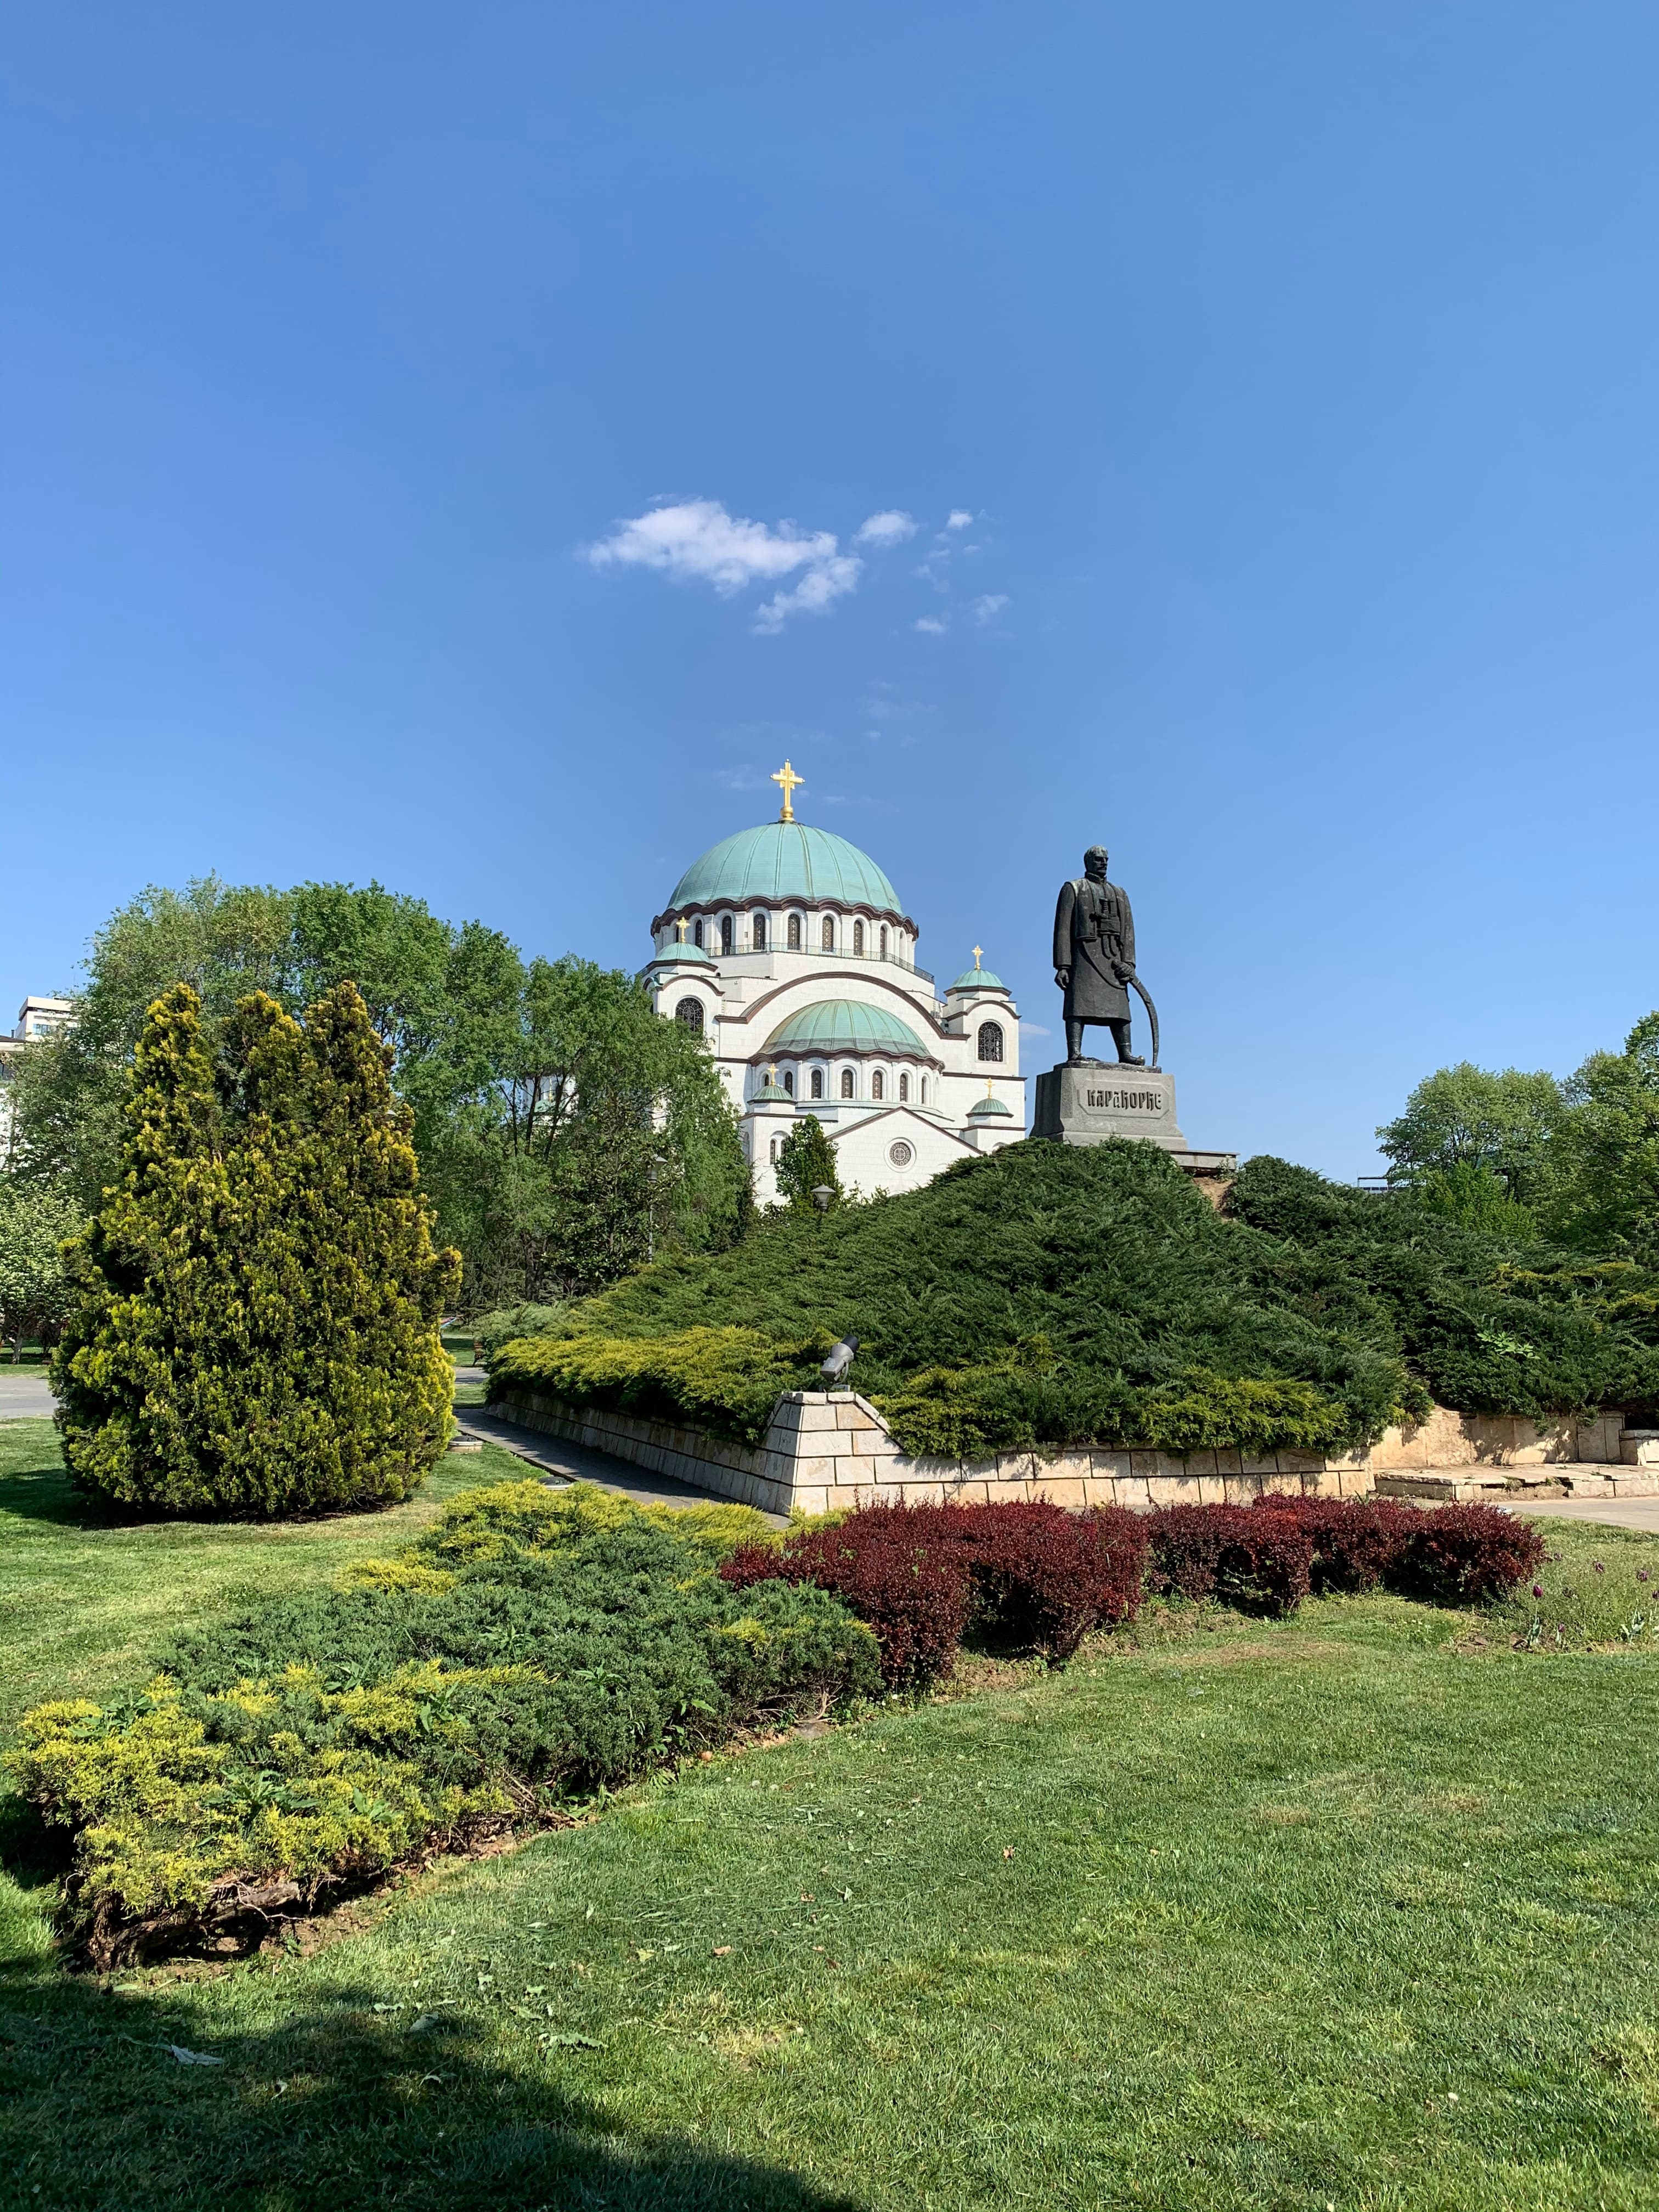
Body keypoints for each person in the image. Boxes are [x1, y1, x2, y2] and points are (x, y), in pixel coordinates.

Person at [1052, 845, 1144, 1065]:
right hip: (1084, 957)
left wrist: (1129, 963)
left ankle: (1125, 1053)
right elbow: (1063, 929)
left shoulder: (1120, 894)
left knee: (1120, 1008)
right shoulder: (1073, 888)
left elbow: (1129, 932)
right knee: (1077, 1006)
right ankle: (1075, 1052)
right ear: (1088, 862)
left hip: (1113, 958)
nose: (1103, 863)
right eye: (1098, 859)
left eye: (1106, 859)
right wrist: (1063, 966)